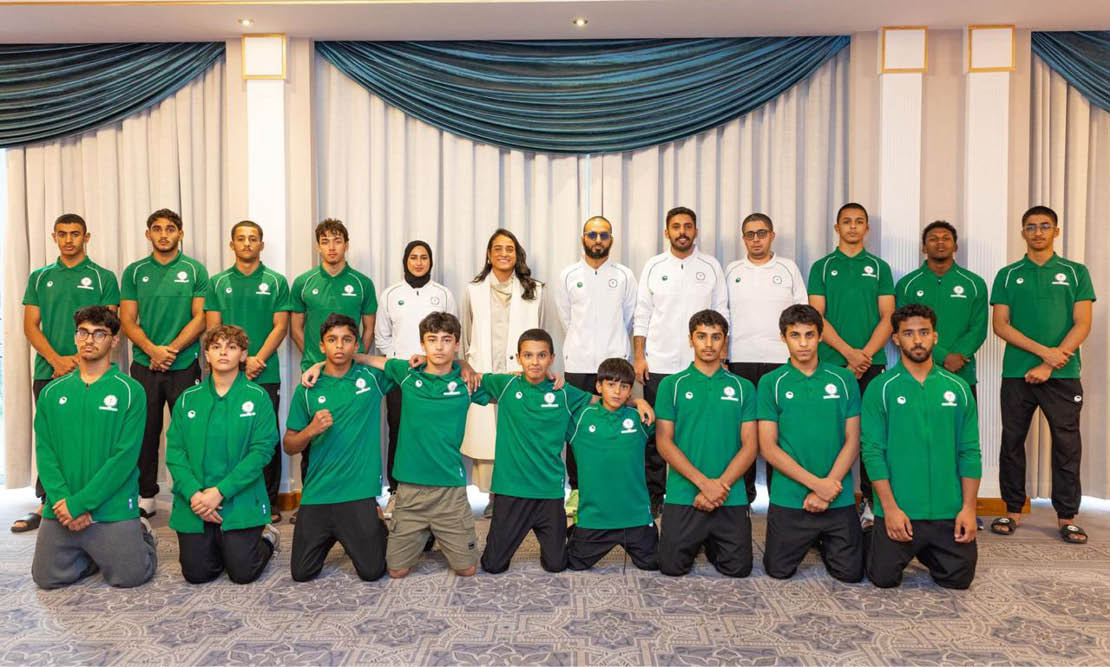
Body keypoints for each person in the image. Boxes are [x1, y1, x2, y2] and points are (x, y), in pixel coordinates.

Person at [319, 312, 489, 578]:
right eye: (432, 340)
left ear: (457, 344)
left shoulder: (467, 381)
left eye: (447, 340)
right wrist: (318, 366)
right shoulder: (407, 373)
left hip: (450, 490)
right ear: (422, 343)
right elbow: (367, 359)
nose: (439, 346)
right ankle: (392, 525)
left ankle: (436, 532)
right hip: (410, 490)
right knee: (397, 571)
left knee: (467, 569)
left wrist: (464, 363)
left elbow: (512, 386)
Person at [478, 329, 653, 574]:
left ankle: (572, 533)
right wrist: (462, 364)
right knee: (493, 566)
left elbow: (601, 399)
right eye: (528, 355)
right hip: (511, 489)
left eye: (541, 355)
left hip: (549, 491)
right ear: (518, 358)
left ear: (552, 358)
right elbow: (467, 380)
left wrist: (637, 401)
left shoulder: (564, 392)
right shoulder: (504, 384)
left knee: (557, 565)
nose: (535, 362)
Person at [989, 205, 1095, 544]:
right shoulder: (1007, 275)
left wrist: (1050, 363)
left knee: (1067, 445)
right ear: (1023, 232)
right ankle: (1012, 510)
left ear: (1056, 231)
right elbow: (1001, 325)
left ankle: (1067, 517)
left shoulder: (1076, 272)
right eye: (1031, 226)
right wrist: (1043, 353)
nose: (1038, 232)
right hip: (1017, 374)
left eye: (1045, 226)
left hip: (1063, 375)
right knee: (1012, 442)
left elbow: (1083, 323)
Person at [31, 306, 157, 589]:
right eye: (83, 332)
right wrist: (64, 502)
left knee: (130, 577)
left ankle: (142, 535)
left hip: (111, 506)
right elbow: (45, 452)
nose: (89, 340)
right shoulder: (51, 392)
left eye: (99, 334)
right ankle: (93, 555)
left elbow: (124, 459)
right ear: (75, 337)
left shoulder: (131, 391)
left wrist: (80, 504)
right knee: (47, 578)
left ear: (114, 340)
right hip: (62, 506)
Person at [862, 304, 981, 589]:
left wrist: (968, 509)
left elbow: (969, 452)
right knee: (883, 579)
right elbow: (873, 452)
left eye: (924, 332)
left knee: (959, 580)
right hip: (899, 510)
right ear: (896, 339)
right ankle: (869, 531)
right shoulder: (881, 387)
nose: (917, 340)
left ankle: (925, 548)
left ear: (935, 336)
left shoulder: (958, 388)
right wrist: (889, 509)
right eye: (908, 333)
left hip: (947, 511)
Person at [15, 213, 120, 533]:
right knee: (51, 438)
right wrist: (57, 360)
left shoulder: (103, 277)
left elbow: (109, 327)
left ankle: (88, 498)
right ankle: (48, 503)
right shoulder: (39, 277)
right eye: (62, 234)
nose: (69, 239)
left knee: (90, 436)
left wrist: (77, 360)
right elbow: (30, 326)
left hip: (92, 372)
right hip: (49, 372)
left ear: (86, 238)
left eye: (75, 234)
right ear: (54, 237)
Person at [165, 325, 280, 584]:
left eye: (232, 347)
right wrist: (195, 494)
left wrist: (219, 492)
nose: (223, 352)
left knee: (243, 573)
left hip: (239, 499)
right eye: (216, 347)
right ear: (206, 355)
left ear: (243, 355)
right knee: (197, 574)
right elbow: (175, 452)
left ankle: (267, 539)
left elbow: (262, 452)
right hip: (195, 502)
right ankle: (219, 545)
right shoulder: (187, 399)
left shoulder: (258, 397)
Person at [634, 206, 728, 517]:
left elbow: (722, 314)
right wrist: (639, 357)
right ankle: (655, 494)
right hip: (659, 364)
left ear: (696, 231)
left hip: (702, 366)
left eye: (688, 226)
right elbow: (642, 314)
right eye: (676, 226)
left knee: (700, 432)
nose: (682, 232)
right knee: (656, 435)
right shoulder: (653, 266)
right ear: (667, 232)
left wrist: (723, 357)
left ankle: (703, 488)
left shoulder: (711, 266)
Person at [284, 314, 393, 582]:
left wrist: (360, 358)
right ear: (322, 346)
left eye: (347, 340)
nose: (339, 346)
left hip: (358, 492)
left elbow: (409, 366)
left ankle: (376, 521)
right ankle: (335, 534)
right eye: (332, 340)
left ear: (356, 344)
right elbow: (289, 445)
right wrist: (310, 430)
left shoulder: (372, 378)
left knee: (372, 572)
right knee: (302, 573)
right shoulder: (308, 388)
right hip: (319, 493)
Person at [758, 304, 862, 582]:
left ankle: (830, 537)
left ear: (820, 336)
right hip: (790, 498)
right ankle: (812, 538)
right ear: (783, 337)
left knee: (851, 574)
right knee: (778, 571)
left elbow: (853, 440)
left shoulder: (844, 378)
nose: (803, 343)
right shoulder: (770, 382)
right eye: (795, 335)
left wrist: (828, 488)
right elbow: (768, 447)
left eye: (809, 335)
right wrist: (817, 485)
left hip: (837, 495)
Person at [808, 202, 894, 528]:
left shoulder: (879, 268)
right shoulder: (822, 267)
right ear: (837, 228)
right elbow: (817, 316)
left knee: (872, 436)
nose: (853, 226)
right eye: (847, 221)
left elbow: (888, 316)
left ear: (867, 228)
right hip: (832, 365)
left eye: (859, 221)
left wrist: (864, 356)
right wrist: (848, 354)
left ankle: (870, 504)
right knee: (829, 435)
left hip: (872, 364)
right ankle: (829, 499)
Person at [655, 310, 757, 578]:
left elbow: (750, 446)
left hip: (729, 493)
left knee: (738, 569)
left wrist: (719, 486)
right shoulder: (671, 385)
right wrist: (704, 484)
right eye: (701, 336)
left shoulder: (744, 387)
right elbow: (664, 442)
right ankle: (700, 539)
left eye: (716, 337)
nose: (709, 344)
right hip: (684, 493)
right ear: (691, 340)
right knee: (671, 568)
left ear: (725, 340)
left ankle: (710, 542)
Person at [120, 209, 209, 519]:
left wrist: (170, 350)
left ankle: (191, 493)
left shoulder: (195, 270)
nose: (163, 234)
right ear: (148, 234)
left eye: (170, 229)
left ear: (180, 234)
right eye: (157, 229)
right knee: (145, 431)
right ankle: (146, 494)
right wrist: (152, 351)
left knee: (190, 432)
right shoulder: (134, 272)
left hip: (183, 364)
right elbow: (127, 319)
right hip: (144, 365)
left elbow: (201, 318)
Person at [290, 219, 378, 517]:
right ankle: (310, 502)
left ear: (346, 245)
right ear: (318, 246)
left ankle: (362, 500)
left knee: (353, 437)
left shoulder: (362, 283)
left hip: (353, 373)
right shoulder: (303, 283)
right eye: (325, 241)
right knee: (312, 435)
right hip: (314, 374)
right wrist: (318, 359)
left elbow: (368, 329)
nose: (331, 247)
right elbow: (296, 328)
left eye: (337, 240)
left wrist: (355, 358)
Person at [205, 220, 291, 523]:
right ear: (232, 244)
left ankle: (268, 501)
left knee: (265, 438)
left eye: (253, 238)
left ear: (261, 245)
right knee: (226, 435)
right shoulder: (217, 283)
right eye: (240, 239)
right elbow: (213, 330)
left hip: (264, 372)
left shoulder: (277, 281)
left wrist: (256, 359)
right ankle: (226, 497)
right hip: (225, 373)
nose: (246, 243)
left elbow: (281, 326)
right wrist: (239, 361)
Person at [554, 216, 637, 518]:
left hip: (614, 363)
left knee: (614, 428)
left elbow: (629, 317)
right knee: (577, 430)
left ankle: (613, 489)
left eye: (603, 235)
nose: (598, 240)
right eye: (592, 234)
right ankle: (577, 490)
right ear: (583, 239)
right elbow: (566, 318)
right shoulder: (568, 275)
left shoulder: (625, 275)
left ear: (611, 239)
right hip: (578, 363)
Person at [460, 229, 545, 518]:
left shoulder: (536, 290)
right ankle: (494, 497)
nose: (504, 254)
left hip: (520, 373)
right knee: (488, 438)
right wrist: (469, 366)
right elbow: (467, 333)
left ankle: (517, 496)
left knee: (517, 435)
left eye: (510, 248)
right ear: (488, 254)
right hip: (485, 371)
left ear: (517, 254)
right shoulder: (473, 290)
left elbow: (542, 332)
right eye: (497, 248)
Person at [724, 212, 807, 504]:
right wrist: (723, 356)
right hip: (740, 361)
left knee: (782, 435)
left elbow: (802, 315)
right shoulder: (731, 270)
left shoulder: (788, 268)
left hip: (781, 363)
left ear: (772, 236)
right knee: (742, 434)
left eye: (761, 233)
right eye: (750, 234)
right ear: (743, 238)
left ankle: (780, 499)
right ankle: (743, 500)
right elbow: (723, 316)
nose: (756, 239)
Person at [375, 241, 458, 517]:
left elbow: (453, 333)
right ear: (405, 261)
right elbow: (382, 337)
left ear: (431, 262)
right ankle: (396, 492)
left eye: (424, 257)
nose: (419, 262)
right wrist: (399, 363)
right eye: (414, 257)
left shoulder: (443, 294)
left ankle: (439, 492)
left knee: (435, 432)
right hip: (402, 378)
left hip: (437, 375)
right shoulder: (390, 294)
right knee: (399, 432)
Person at [565, 358, 658, 571]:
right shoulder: (580, 419)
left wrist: (640, 403)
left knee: (655, 564)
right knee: (572, 564)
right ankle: (576, 531)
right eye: (611, 385)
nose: (617, 391)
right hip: (595, 520)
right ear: (599, 387)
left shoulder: (640, 419)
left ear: (630, 391)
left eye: (624, 386)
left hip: (635, 518)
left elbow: (672, 425)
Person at [895, 220, 988, 400]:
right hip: (917, 372)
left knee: (963, 419)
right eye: (933, 239)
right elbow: (901, 328)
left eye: (946, 238)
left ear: (956, 246)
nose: (940, 243)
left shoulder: (974, 284)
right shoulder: (907, 285)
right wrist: (943, 357)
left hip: (961, 371)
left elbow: (978, 328)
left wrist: (958, 356)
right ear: (924, 247)